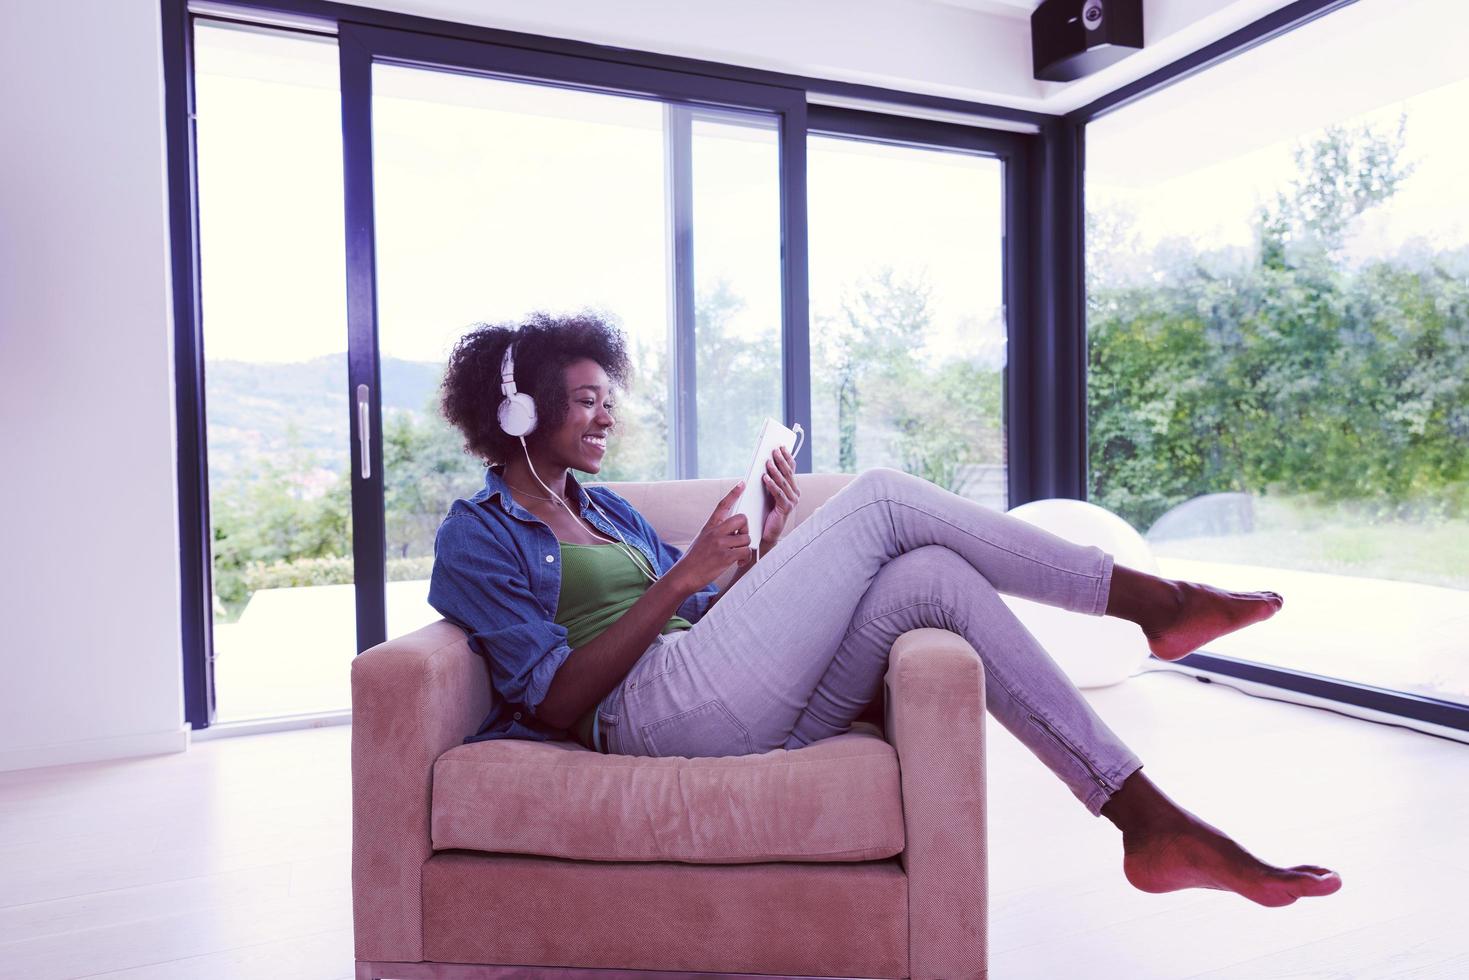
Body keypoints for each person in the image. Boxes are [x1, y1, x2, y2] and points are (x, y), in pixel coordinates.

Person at [428, 311, 1343, 908]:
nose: (604, 420)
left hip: (719, 701)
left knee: (930, 578)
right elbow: (552, 702)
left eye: (606, 401)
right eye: (585, 403)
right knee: (882, 497)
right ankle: (1151, 603)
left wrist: (768, 544)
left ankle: (1142, 817)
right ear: (516, 411)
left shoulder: (603, 507)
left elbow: (713, 630)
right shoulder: (479, 534)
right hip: (643, 718)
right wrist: (680, 578)